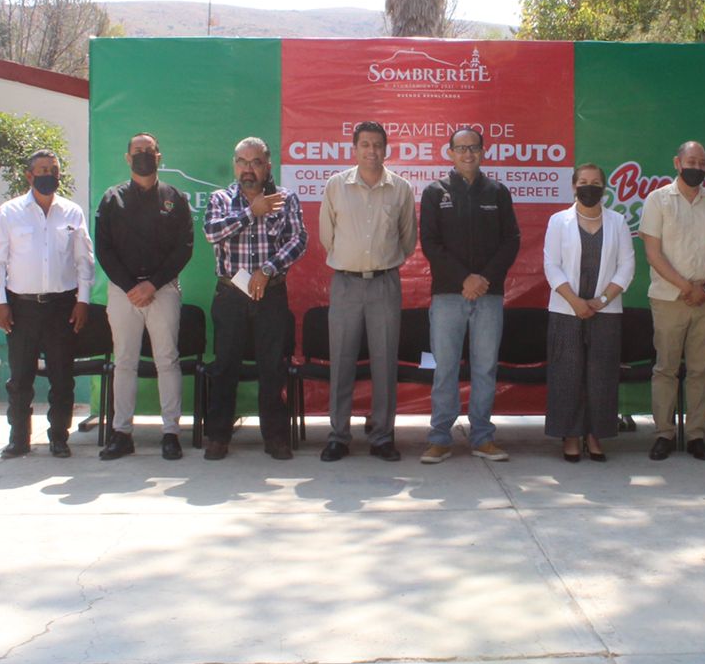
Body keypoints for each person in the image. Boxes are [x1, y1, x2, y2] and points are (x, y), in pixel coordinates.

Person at [419, 127, 520, 464]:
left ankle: (482, 437)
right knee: (445, 368)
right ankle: (439, 438)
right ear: (449, 152)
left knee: (485, 367)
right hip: (448, 295)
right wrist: (464, 279)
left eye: (473, 148)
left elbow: (511, 241)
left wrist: (484, 279)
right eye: (460, 148)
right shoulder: (435, 193)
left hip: (489, 295)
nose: (467, 154)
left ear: (483, 152)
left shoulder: (498, 192)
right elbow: (431, 244)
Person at [202, 137, 306, 461]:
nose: (249, 169)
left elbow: (299, 240)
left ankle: (275, 437)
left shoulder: (285, 200)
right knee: (224, 367)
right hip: (231, 293)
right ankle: (218, 437)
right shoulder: (220, 199)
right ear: (235, 165)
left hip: (270, 293)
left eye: (256, 162)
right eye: (243, 162)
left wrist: (268, 269)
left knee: (272, 368)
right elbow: (211, 233)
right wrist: (251, 212)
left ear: (267, 165)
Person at [318, 121, 416, 462]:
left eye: (377, 145)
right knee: (341, 361)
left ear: (386, 149)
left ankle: (382, 437)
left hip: (385, 283)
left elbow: (407, 240)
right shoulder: (336, 186)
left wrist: (381, 263)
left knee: (385, 362)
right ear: (354, 148)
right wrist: (351, 262)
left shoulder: (400, 189)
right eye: (365, 145)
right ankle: (338, 436)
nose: (372, 151)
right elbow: (326, 236)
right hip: (345, 282)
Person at [0, 150, 95, 459]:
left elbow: (83, 261)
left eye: (54, 169)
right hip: (21, 308)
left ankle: (59, 438)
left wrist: (83, 301)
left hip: (62, 306)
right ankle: (19, 438)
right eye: (42, 169)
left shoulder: (72, 212)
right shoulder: (10, 212)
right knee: (20, 378)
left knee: (62, 376)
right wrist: (0, 302)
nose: (49, 174)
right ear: (30, 176)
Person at [95, 132, 194, 461]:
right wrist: (130, 286)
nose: (143, 156)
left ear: (159, 156)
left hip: (162, 290)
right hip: (124, 292)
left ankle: (171, 433)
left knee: (167, 360)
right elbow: (104, 249)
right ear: (127, 158)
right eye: (137, 151)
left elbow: (184, 248)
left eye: (149, 151)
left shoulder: (174, 198)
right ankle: (121, 432)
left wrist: (152, 284)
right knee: (124, 362)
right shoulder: (112, 198)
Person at [639, 140, 705, 461]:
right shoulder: (658, 200)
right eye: (691, 160)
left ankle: (696, 436)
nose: (697, 166)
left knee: (699, 371)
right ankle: (664, 434)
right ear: (677, 163)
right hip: (669, 299)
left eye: (702, 162)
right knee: (666, 369)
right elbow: (653, 252)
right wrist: (686, 287)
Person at [543, 163, 634, 462]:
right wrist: (576, 301)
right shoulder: (558, 221)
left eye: (595, 182)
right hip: (566, 310)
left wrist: (603, 299)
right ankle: (570, 435)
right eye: (583, 182)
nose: (589, 187)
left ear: (604, 188)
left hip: (606, 311)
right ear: (573, 186)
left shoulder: (618, 222)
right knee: (567, 374)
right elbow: (551, 265)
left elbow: (627, 266)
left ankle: (596, 434)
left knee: (602, 374)